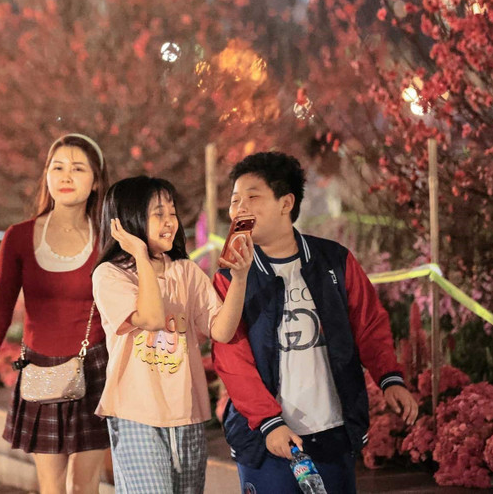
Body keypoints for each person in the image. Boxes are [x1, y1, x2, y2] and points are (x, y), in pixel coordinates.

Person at [212, 152, 419, 494]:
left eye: (253, 197)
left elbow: (369, 326)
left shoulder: (334, 261)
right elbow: (232, 359)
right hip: (266, 442)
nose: (240, 208)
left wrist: (389, 378)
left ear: (286, 203)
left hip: (332, 434)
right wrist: (269, 423)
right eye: (235, 200)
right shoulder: (228, 278)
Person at [91, 176, 253, 494]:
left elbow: (221, 329)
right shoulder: (110, 274)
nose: (170, 222)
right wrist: (139, 254)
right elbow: (150, 318)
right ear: (128, 220)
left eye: (172, 212)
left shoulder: (185, 271)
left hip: (187, 413)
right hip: (135, 414)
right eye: (158, 213)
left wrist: (241, 277)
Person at [0, 134, 111, 493]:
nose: (66, 176)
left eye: (78, 168)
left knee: (85, 485)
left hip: (97, 368)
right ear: (47, 176)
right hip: (40, 371)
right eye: (58, 167)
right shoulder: (20, 236)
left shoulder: (110, 237)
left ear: (96, 180)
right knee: (51, 487)